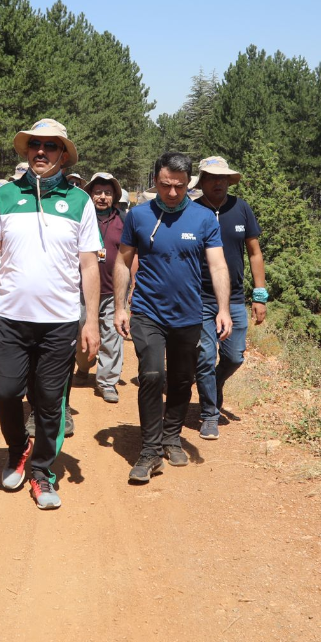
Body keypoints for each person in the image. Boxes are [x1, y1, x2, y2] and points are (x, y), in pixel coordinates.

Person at [0, 118, 101, 510]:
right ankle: (17, 451)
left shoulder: (79, 201)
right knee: (5, 391)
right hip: (11, 317)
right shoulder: (6, 194)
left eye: (50, 146)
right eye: (34, 146)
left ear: (63, 154)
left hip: (60, 322)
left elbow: (90, 266)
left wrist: (91, 320)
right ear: (27, 152)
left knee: (48, 401)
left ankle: (42, 470)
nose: (40, 152)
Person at [113, 151, 231, 484]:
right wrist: (121, 306)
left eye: (180, 186)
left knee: (181, 379)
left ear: (189, 183)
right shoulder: (138, 216)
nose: (173, 193)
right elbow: (123, 262)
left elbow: (218, 265)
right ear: (156, 181)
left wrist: (223, 309)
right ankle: (149, 451)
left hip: (189, 314)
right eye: (166, 185)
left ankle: (171, 435)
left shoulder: (204, 218)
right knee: (151, 374)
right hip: (148, 311)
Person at [192, 156, 267, 439]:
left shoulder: (241, 209)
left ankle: (215, 382)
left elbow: (255, 252)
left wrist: (259, 295)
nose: (219, 182)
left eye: (223, 178)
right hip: (199, 297)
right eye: (213, 178)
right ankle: (209, 413)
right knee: (205, 356)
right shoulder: (192, 210)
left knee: (234, 356)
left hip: (235, 298)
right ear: (203, 182)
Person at [76, 172, 126, 403]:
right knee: (80, 334)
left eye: (107, 192)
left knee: (112, 337)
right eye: (97, 192)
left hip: (113, 290)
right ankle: (84, 368)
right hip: (81, 290)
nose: (103, 197)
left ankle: (107, 382)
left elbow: (131, 255)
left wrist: (131, 288)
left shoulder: (123, 221)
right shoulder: (79, 217)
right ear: (90, 195)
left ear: (115, 195)